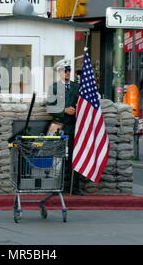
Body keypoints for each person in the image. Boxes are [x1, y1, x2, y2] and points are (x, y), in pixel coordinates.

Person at [46, 59, 83, 195]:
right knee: (58, 157)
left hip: (74, 126)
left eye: (69, 70)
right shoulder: (54, 88)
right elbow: (50, 108)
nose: (67, 73)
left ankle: (74, 187)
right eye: (64, 70)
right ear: (59, 72)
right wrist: (64, 110)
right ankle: (58, 187)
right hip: (59, 125)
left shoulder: (76, 87)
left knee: (75, 155)